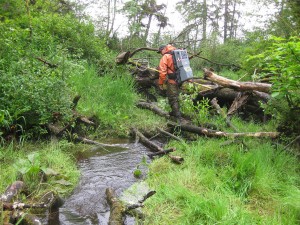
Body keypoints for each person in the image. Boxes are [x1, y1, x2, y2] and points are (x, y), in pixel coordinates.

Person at [157, 44, 181, 121]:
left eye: (161, 51)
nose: (161, 53)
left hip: (172, 80)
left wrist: (161, 83)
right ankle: (175, 112)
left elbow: (162, 72)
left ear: (164, 49)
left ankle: (178, 119)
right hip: (181, 79)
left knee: (173, 98)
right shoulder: (178, 53)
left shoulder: (166, 57)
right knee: (176, 96)